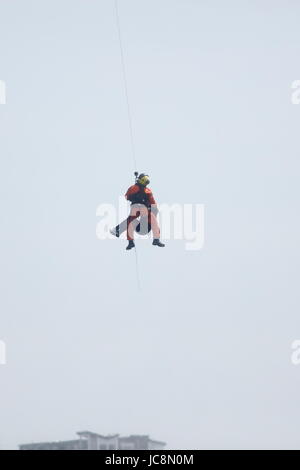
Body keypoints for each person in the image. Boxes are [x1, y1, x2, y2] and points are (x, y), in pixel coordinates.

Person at [110, 173, 165, 250]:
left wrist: (154, 209)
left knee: (153, 219)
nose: (145, 183)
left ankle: (156, 239)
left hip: (145, 210)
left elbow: (153, 202)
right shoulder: (134, 187)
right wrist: (133, 197)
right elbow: (127, 196)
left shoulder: (148, 191)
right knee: (131, 220)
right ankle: (129, 241)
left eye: (147, 182)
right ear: (140, 180)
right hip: (136, 206)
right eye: (144, 181)